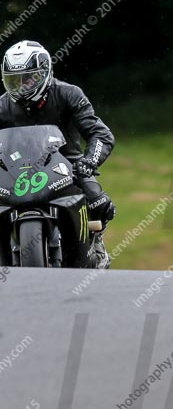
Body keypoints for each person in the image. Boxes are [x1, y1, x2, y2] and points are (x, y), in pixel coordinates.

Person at [0, 40, 115, 268]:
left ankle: (95, 242)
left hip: (66, 164)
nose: (20, 86)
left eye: (27, 78)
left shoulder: (69, 94)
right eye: (14, 80)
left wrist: (89, 161)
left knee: (100, 201)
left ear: (44, 72)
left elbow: (100, 134)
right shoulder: (2, 106)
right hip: (14, 168)